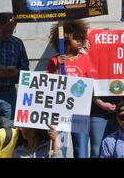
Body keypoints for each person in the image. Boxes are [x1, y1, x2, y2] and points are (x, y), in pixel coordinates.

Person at [47, 19, 95, 158]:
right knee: (59, 146)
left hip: (80, 111)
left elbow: (89, 83)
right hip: (60, 110)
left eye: (82, 38)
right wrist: (57, 67)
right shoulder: (54, 61)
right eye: (76, 39)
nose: (80, 42)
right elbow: (49, 85)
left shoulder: (85, 59)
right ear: (66, 40)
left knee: (81, 150)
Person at [0, 12, 29, 120]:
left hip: (9, 94)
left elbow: (26, 70)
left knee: (8, 130)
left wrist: (16, 72)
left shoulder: (17, 43)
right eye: (5, 31)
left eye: (11, 31)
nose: (8, 34)